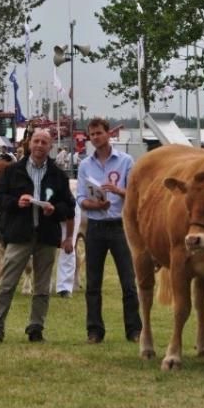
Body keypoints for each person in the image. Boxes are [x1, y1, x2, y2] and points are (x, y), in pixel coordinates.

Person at [0, 128, 75, 343]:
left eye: (44, 142)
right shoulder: (12, 171)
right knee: (7, 284)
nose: (40, 145)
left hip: (46, 236)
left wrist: (55, 209)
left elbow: (69, 206)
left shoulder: (58, 175)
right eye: (36, 141)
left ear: (50, 146)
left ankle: (36, 328)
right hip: (19, 234)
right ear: (29, 144)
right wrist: (16, 202)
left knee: (42, 288)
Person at [77, 117, 142, 344]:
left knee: (128, 281)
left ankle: (134, 330)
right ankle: (94, 331)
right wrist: (95, 204)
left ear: (108, 134)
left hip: (118, 226)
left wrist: (117, 191)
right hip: (95, 226)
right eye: (92, 134)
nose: (95, 138)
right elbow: (81, 199)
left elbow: (136, 194)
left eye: (99, 133)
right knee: (93, 282)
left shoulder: (125, 161)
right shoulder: (85, 165)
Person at [56, 178, 81, 297]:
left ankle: (64, 287)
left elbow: (71, 215)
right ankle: (43, 283)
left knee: (67, 248)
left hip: (69, 214)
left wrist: (69, 238)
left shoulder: (68, 202)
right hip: (44, 212)